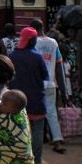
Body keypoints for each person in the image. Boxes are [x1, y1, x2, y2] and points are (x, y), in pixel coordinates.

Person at [9, 26, 49, 164]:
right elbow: (45, 76)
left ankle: (19, 158)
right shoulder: (37, 56)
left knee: (18, 130)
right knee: (37, 129)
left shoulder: (12, 55)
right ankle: (36, 160)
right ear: (31, 41)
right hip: (36, 98)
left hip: (16, 100)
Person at [31, 18, 68, 154]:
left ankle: (36, 142)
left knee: (34, 114)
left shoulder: (32, 43)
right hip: (51, 83)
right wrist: (64, 90)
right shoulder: (53, 43)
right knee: (52, 112)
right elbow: (59, 67)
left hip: (36, 84)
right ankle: (57, 141)